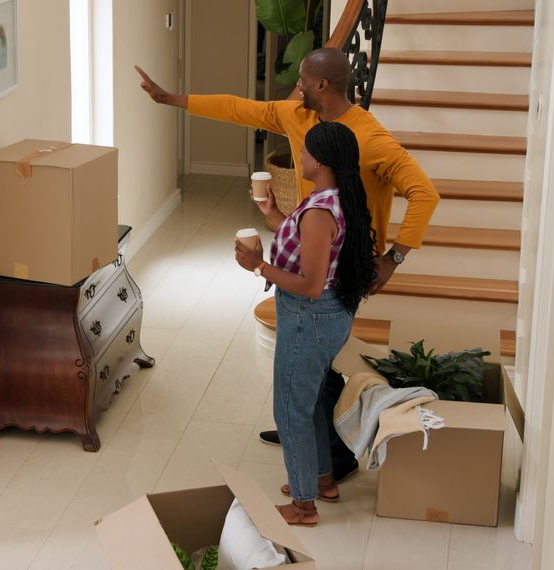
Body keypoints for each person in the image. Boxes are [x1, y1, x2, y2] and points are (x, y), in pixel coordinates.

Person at [136, 48, 440, 483]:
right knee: (308, 366)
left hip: (340, 270)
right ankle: (309, 438)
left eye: (301, 78)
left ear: (321, 85)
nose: (294, 86)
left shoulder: (370, 139)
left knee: (312, 365)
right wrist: (172, 100)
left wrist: (394, 258)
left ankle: (332, 453)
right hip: (311, 249)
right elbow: (240, 108)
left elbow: (425, 194)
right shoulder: (298, 114)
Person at [235, 121, 376, 526]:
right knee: (311, 399)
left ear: (321, 160)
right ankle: (323, 479)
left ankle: (303, 506)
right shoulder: (337, 198)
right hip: (331, 314)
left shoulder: (318, 211)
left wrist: (257, 265)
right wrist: (272, 213)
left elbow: (310, 285)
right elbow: (307, 244)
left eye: (305, 151)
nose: (300, 157)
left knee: (290, 409)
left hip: (308, 318)